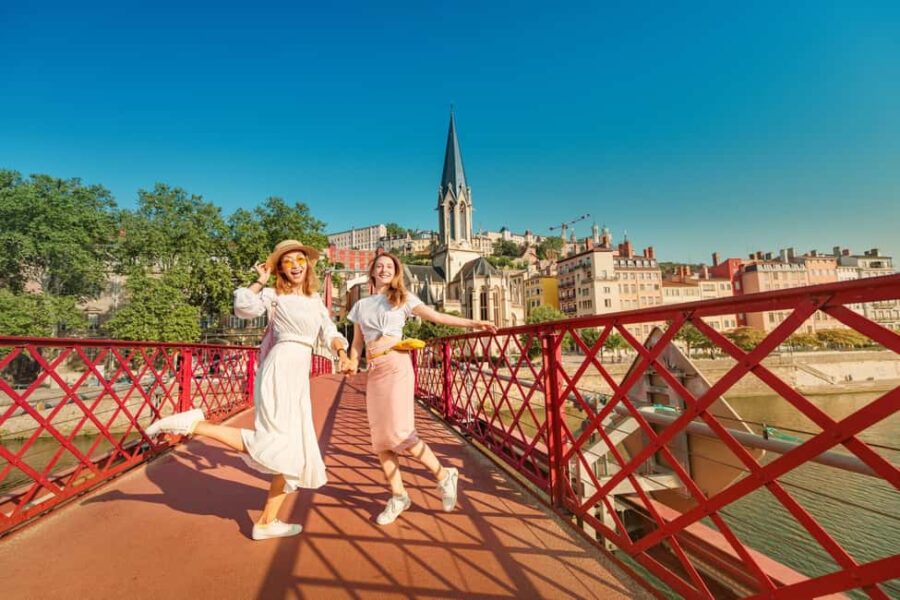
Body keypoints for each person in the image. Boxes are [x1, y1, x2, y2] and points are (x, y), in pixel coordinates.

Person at [145, 239, 353, 540]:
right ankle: (196, 424)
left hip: (298, 372)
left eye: (300, 259)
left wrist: (342, 353)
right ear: (280, 268)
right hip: (281, 366)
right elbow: (243, 306)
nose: (295, 265)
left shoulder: (314, 300)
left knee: (293, 449)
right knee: (278, 443)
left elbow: (330, 332)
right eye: (287, 261)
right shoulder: (273, 295)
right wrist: (260, 280)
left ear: (308, 264)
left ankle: (267, 522)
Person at [346, 252, 496, 525]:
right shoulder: (361, 305)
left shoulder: (403, 298)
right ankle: (399, 495)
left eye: (389, 266)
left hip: (396, 366)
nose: (383, 269)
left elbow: (436, 317)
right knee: (380, 439)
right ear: (372, 272)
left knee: (401, 432)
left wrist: (475, 323)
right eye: (379, 266)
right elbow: (357, 342)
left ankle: (443, 474)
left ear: (396, 272)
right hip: (375, 370)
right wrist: (353, 361)